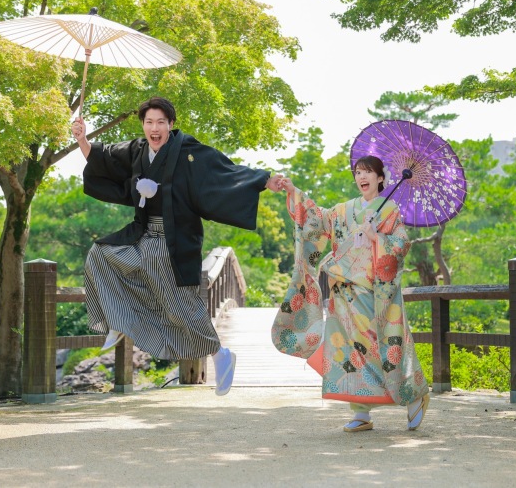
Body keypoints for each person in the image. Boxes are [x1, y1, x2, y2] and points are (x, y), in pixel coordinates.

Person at [71, 96, 284, 396]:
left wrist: (265, 180)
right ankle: (118, 320)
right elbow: (101, 157)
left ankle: (220, 355)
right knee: (100, 255)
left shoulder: (188, 152)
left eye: (160, 122)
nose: (154, 128)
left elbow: (225, 172)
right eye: (149, 122)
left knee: (181, 308)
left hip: (174, 242)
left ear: (171, 124)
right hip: (142, 235)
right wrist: (82, 138)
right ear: (143, 125)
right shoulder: (137, 150)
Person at [273, 155, 430, 431]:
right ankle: (361, 411)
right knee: (350, 351)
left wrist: (376, 238)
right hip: (343, 294)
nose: (362, 177)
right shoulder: (344, 210)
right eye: (358, 172)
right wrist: (293, 192)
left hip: (374, 293)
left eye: (368, 172)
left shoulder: (390, 210)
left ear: (381, 178)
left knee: (384, 346)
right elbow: (316, 219)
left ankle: (414, 396)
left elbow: (401, 245)